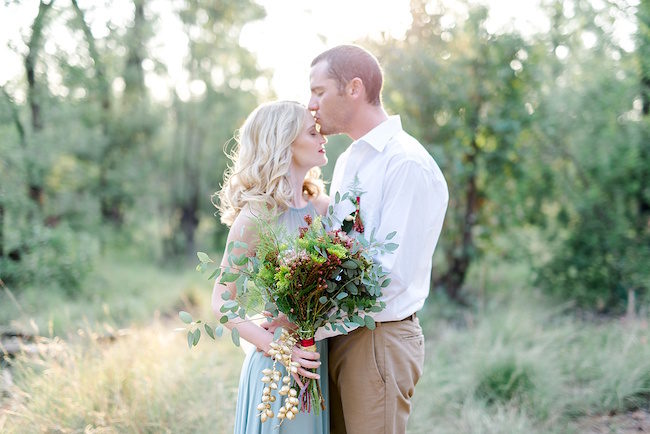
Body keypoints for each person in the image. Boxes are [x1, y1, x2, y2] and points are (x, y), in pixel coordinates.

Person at [308, 45, 449, 434]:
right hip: (335, 337)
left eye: (319, 92)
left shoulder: (405, 163)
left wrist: (310, 321)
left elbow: (391, 276)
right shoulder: (348, 161)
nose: (311, 104)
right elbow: (335, 249)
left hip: (377, 339)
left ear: (353, 88)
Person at [210, 101, 330, 434]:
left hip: (317, 354)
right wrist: (280, 349)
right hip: (277, 364)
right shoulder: (256, 216)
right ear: (284, 143)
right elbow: (221, 301)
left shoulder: (323, 209)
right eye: (312, 131)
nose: (322, 137)